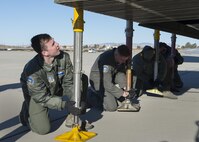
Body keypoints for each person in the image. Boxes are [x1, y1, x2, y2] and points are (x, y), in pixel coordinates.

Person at [19, 33, 92, 135]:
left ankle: (72, 117)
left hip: (55, 86)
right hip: (36, 95)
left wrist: (77, 100)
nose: (57, 44)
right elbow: (40, 97)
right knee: (43, 129)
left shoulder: (64, 57)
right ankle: (26, 112)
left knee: (81, 78)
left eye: (54, 41)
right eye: (53, 44)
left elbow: (69, 82)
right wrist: (64, 104)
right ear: (45, 52)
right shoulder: (32, 70)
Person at [88, 45, 139, 112]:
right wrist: (122, 93)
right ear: (116, 54)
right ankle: (91, 95)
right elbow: (106, 83)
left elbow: (120, 73)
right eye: (122, 60)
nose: (123, 62)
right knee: (112, 107)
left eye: (125, 60)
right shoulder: (106, 60)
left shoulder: (119, 58)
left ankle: (110, 94)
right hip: (98, 80)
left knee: (131, 78)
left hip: (111, 76)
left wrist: (124, 87)